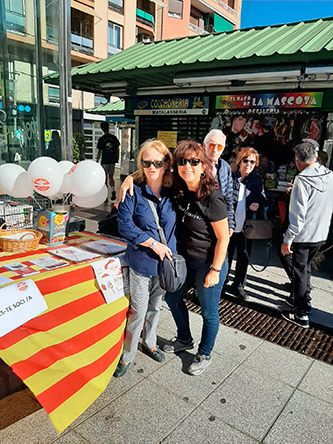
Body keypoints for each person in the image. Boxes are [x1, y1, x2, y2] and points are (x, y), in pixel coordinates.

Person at [163, 140, 229, 376]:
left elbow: (223, 239)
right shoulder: (179, 191)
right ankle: (184, 339)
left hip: (208, 264)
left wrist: (215, 270)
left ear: (204, 166)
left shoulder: (213, 199)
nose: (187, 166)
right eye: (182, 161)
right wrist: (129, 179)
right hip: (185, 261)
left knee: (209, 312)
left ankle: (204, 353)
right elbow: (147, 178)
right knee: (172, 299)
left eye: (194, 161)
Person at [114, 139, 177, 377]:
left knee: (156, 307)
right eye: (146, 162)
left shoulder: (174, 191)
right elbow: (125, 226)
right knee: (138, 310)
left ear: (166, 163)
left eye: (157, 162)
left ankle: (149, 342)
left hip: (165, 264)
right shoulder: (133, 190)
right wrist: (152, 243)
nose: (152, 167)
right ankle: (128, 354)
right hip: (141, 261)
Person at [281, 142, 333, 328]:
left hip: (304, 235)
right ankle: (305, 299)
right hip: (321, 232)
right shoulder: (329, 174)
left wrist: (288, 239)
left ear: (298, 161)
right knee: (306, 268)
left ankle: (301, 312)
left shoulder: (302, 179)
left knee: (300, 271)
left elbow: (297, 216)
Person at [226, 147, 266, 300]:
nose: (249, 164)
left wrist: (257, 203)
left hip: (247, 227)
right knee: (226, 256)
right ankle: (223, 283)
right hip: (230, 224)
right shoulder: (231, 177)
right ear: (239, 161)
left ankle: (238, 286)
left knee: (244, 256)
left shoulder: (256, 179)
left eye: (252, 161)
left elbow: (263, 199)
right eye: (246, 160)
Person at [202, 129, 235, 237]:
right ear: (204, 145)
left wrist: (230, 224)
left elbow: (229, 198)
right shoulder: (195, 165)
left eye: (219, 146)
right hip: (200, 221)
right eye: (211, 145)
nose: (215, 150)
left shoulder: (225, 167)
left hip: (220, 218)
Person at [96, 121, 120, 201]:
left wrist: (97, 160)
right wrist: (117, 158)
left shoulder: (101, 139)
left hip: (105, 160)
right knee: (111, 177)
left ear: (102, 129)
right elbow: (117, 149)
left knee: (105, 178)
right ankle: (113, 190)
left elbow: (99, 151)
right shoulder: (113, 138)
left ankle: (106, 196)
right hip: (112, 160)